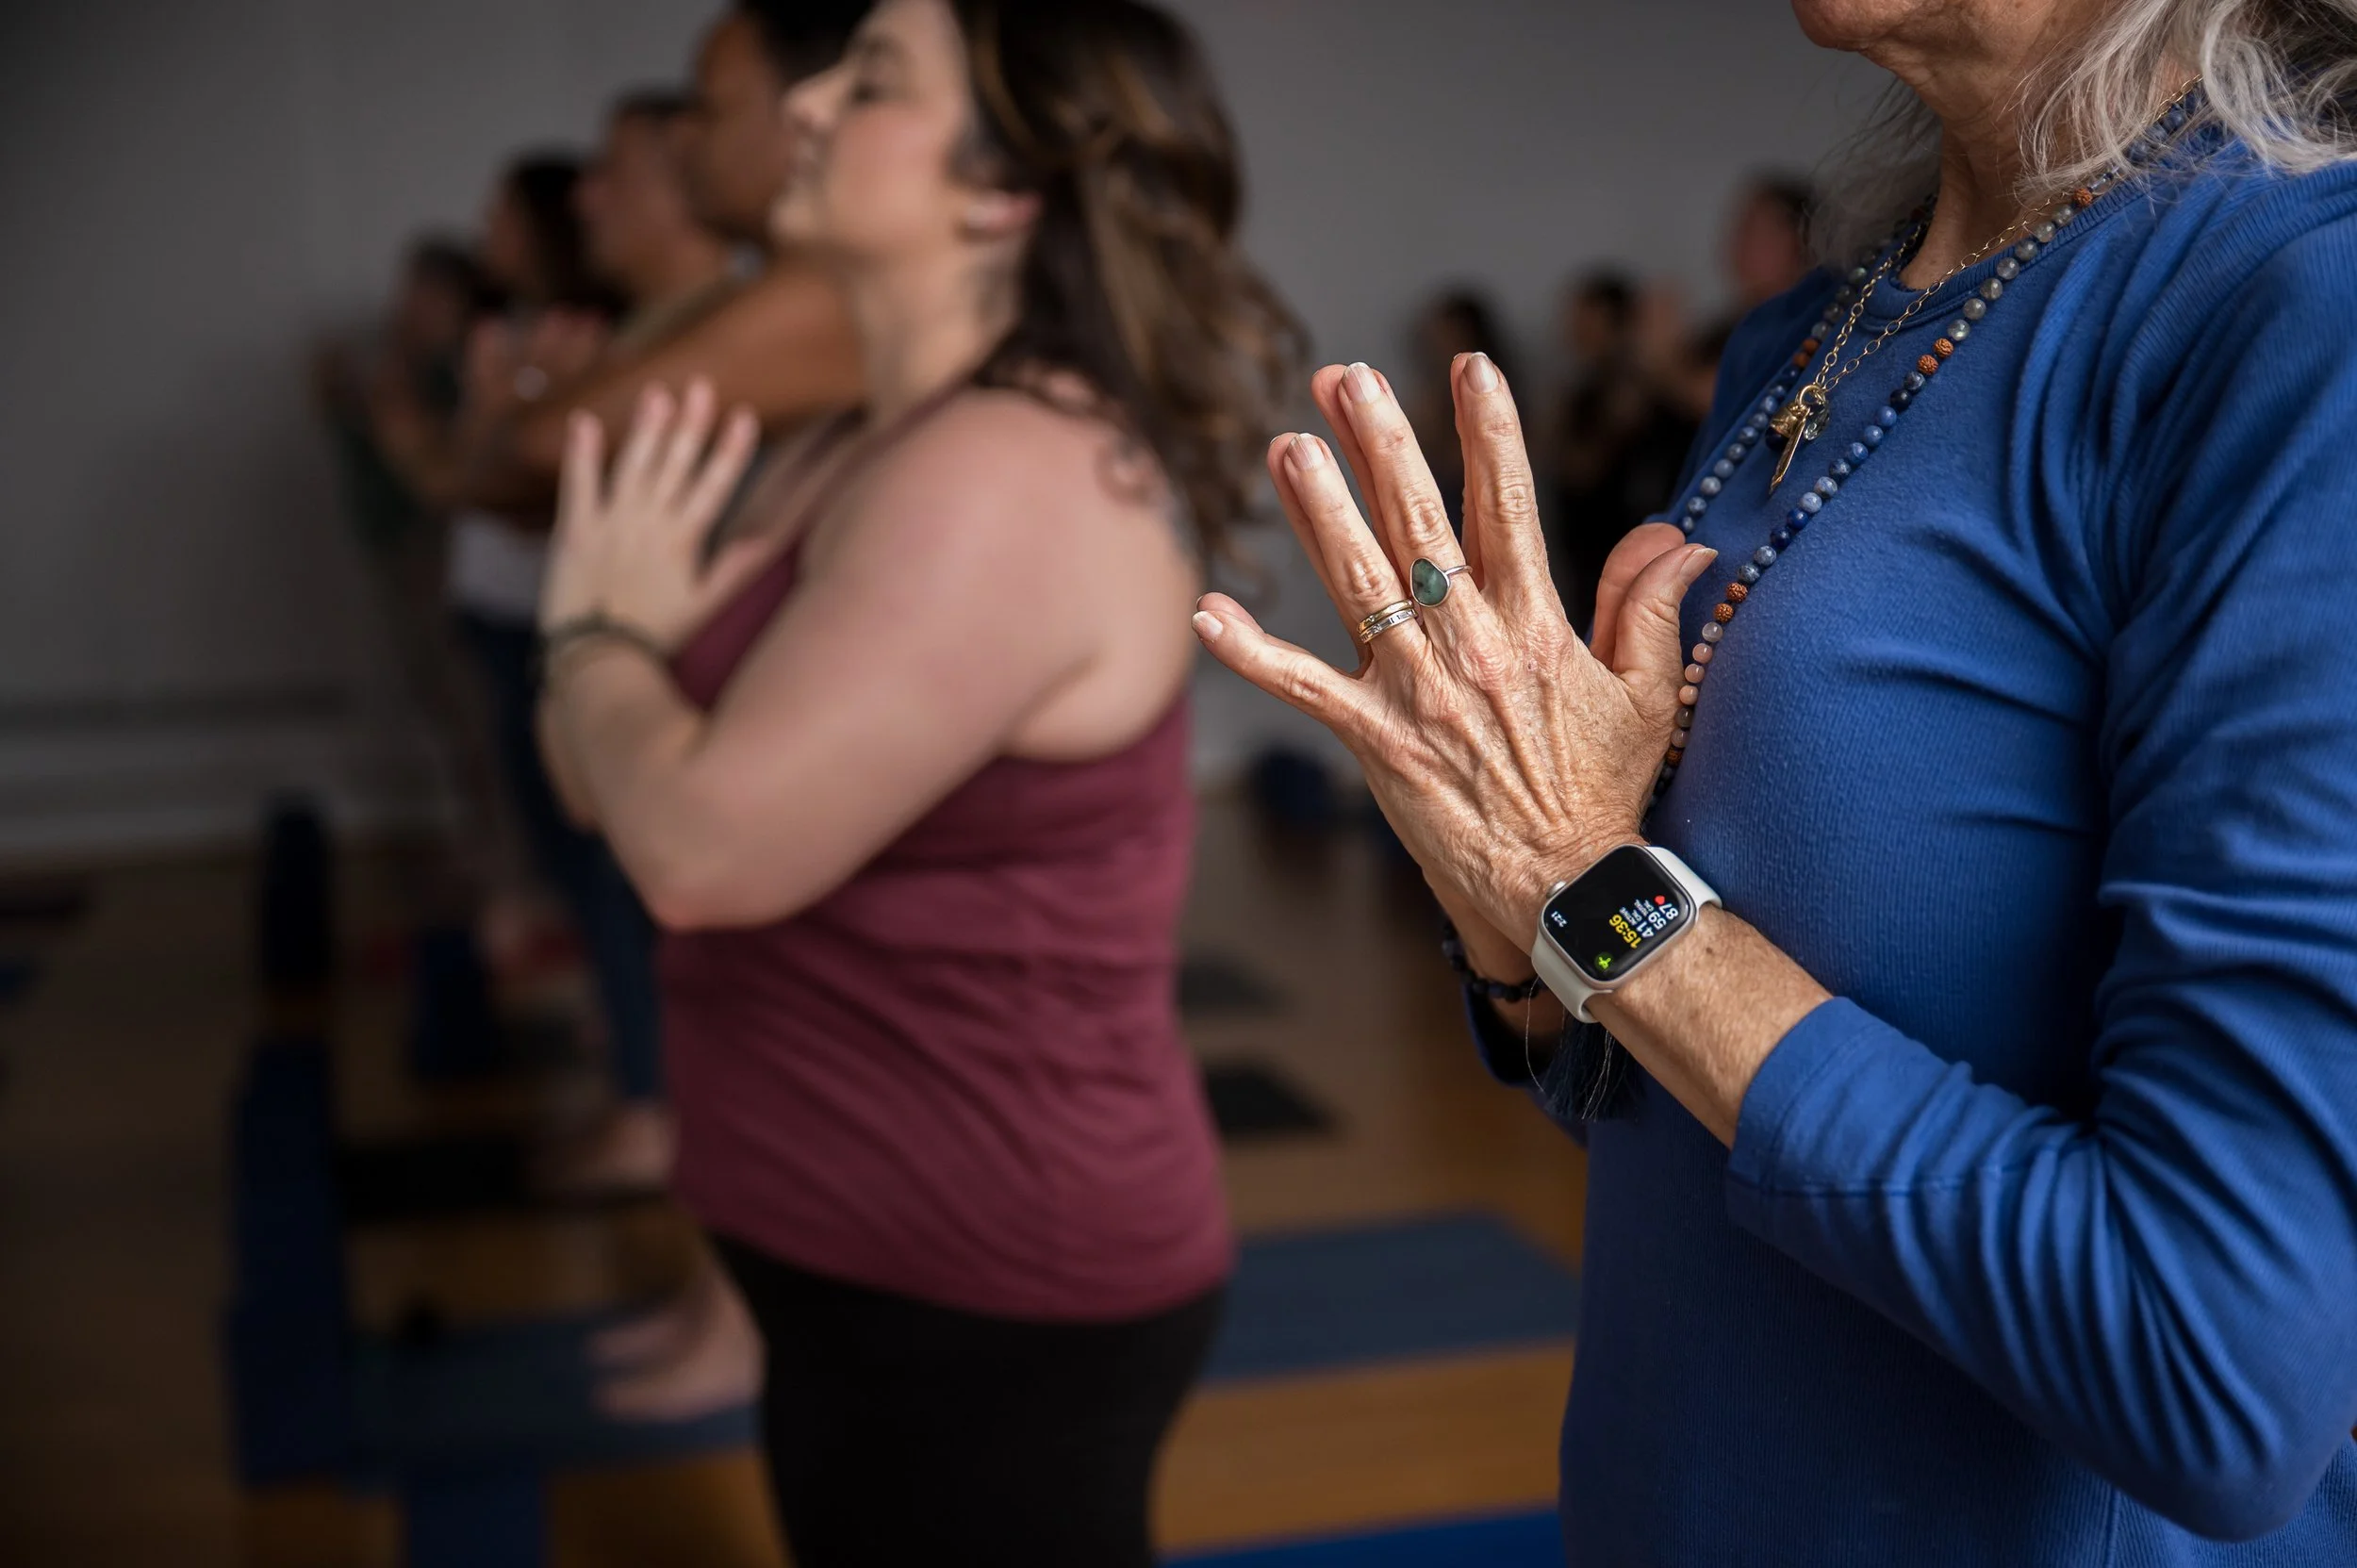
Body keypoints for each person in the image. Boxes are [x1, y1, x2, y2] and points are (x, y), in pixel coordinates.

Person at [1189, 2, 2357, 1562]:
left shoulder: (2303, 307)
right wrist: (1524, 918)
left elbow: (2211, 1365)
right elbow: (1694, 1110)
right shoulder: (1814, 328)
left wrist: (1589, 882)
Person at [536, 0, 1299, 1560]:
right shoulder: (858, 446)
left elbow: (689, 841)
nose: (810, 107)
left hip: (984, 1272)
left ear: (1002, 189)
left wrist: (599, 639)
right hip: (848, 1247)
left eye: (872, 80)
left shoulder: (1005, 476)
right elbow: (595, 778)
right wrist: (611, 687)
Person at [1403, 288, 1512, 532]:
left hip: (1482, 499)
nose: (1438, 344)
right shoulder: (1434, 391)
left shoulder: (1494, 386)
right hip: (1445, 499)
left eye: (1446, 335)